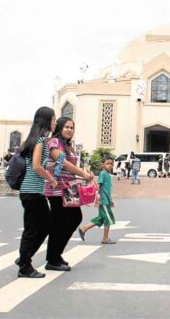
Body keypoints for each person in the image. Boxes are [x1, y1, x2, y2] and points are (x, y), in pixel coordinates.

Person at [44, 117, 94, 271]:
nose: (69, 130)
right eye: (66, 127)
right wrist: (82, 173)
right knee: (63, 221)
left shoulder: (68, 146)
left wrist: (85, 173)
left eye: (72, 127)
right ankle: (52, 258)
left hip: (68, 188)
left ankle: (55, 255)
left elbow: (72, 165)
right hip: (56, 189)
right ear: (59, 127)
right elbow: (62, 161)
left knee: (73, 218)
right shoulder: (54, 142)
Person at [17, 107, 57, 278]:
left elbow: (37, 164)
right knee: (33, 229)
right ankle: (25, 265)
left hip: (31, 191)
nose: (55, 122)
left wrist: (52, 167)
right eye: (54, 119)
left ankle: (24, 259)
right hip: (32, 191)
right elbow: (35, 166)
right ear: (47, 121)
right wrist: (51, 179)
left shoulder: (34, 140)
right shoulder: (40, 140)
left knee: (42, 226)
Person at [79, 156, 116, 244]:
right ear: (103, 165)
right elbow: (98, 187)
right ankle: (105, 238)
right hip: (103, 201)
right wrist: (97, 199)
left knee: (101, 219)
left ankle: (83, 229)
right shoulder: (102, 174)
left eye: (111, 164)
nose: (110, 165)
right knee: (107, 218)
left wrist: (111, 200)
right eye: (107, 164)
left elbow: (107, 190)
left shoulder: (108, 175)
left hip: (106, 201)